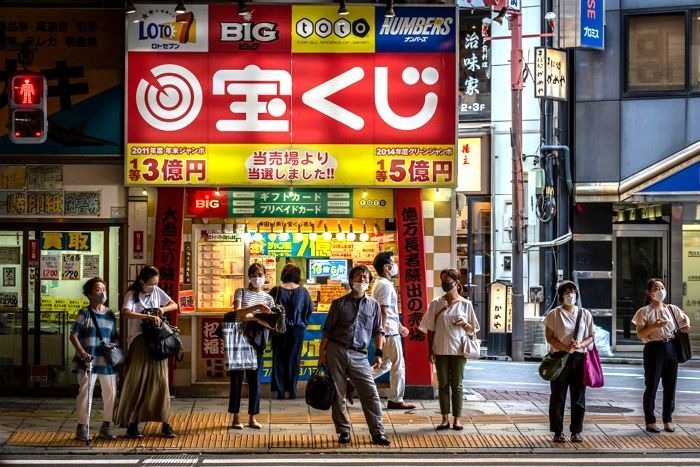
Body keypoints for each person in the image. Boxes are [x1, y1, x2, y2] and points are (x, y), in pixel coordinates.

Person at [318, 265, 390, 446]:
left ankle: (377, 432)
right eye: (359, 277)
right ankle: (343, 430)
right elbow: (327, 332)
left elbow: (378, 331)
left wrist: (379, 353)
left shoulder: (373, 305)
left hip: (360, 354)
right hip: (336, 350)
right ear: (351, 281)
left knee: (370, 393)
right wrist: (322, 355)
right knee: (338, 393)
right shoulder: (339, 303)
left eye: (366, 277)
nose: (363, 280)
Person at [114, 266, 179, 439]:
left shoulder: (157, 292)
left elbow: (174, 304)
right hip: (140, 342)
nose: (154, 286)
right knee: (138, 381)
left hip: (157, 342)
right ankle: (133, 423)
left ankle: (165, 422)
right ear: (142, 281)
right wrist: (147, 317)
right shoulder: (132, 294)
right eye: (151, 283)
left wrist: (162, 310)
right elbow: (126, 313)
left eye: (156, 283)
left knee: (160, 381)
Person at [419, 268, 479, 431]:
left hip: (459, 350)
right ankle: (444, 418)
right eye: (443, 280)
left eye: (448, 280)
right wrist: (429, 350)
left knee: (457, 384)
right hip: (440, 349)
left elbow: (473, 329)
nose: (444, 283)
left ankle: (457, 419)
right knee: (443, 384)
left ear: (457, 283)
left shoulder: (466, 304)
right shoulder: (436, 303)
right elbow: (429, 329)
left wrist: (464, 324)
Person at [632, 278, 691, 434]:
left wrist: (686, 324)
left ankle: (668, 420)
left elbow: (684, 320)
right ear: (649, 293)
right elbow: (640, 334)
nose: (660, 291)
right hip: (653, 348)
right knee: (651, 385)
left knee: (670, 386)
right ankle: (650, 421)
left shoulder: (672, 309)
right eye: (656, 288)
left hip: (671, 346)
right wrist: (654, 326)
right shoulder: (644, 312)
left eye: (662, 288)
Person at [220, 263, 275, 430]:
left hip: (257, 340)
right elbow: (238, 312)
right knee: (236, 379)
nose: (257, 277)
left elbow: (271, 322)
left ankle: (253, 417)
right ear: (249, 276)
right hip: (238, 339)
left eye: (260, 274)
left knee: (254, 379)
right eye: (254, 274)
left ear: (265, 276)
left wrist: (252, 317)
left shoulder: (269, 298)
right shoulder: (241, 292)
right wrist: (257, 310)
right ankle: (236, 417)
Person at [543, 280, 595, 443]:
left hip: (579, 358)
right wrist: (565, 348)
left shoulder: (585, 314)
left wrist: (580, 344)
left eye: (572, 291)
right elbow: (549, 337)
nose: (570, 295)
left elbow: (591, 336)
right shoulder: (554, 314)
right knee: (558, 396)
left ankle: (576, 431)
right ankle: (558, 431)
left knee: (579, 396)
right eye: (566, 292)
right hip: (560, 358)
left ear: (577, 293)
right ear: (560, 296)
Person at [69, 277, 118, 441]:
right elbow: (73, 334)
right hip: (88, 362)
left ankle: (107, 426)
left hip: (106, 363)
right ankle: (82, 427)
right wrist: (82, 352)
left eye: (104, 289)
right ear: (89, 294)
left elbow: (113, 337)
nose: (102, 293)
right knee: (85, 394)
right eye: (98, 290)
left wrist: (114, 354)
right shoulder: (84, 313)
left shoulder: (110, 314)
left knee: (111, 394)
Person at [370, 251, 415, 410]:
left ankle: (356, 381)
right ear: (386, 267)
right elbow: (384, 311)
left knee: (385, 364)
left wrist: (399, 326)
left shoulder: (380, 283)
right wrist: (381, 331)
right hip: (388, 332)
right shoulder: (385, 285)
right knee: (398, 365)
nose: (395, 265)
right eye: (393, 262)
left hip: (389, 329)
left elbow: (390, 312)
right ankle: (396, 399)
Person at [269, 263, 314, 400]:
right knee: (294, 360)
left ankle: (280, 391)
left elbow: (268, 309)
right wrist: (301, 322)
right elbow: (309, 309)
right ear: (297, 275)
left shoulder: (275, 290)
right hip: (297, 330)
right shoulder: (303, 291)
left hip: (279, 330)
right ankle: (293, 390)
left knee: (278, 359)